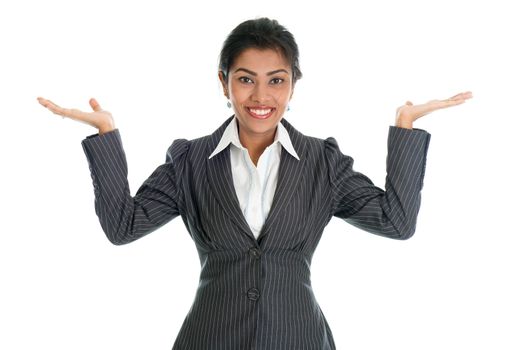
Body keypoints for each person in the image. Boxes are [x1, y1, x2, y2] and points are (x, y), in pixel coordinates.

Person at [37, 17, 472, 350]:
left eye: (276, 80)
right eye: (245, 79)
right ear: (223, 82)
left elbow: (396, 222)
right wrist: (106, 136)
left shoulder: (323, 162)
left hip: (299, 337)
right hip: (210, 338)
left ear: (292, 86)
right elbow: (122, 226)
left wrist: (405, 129)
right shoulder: (190, 161)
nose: (261, 97)